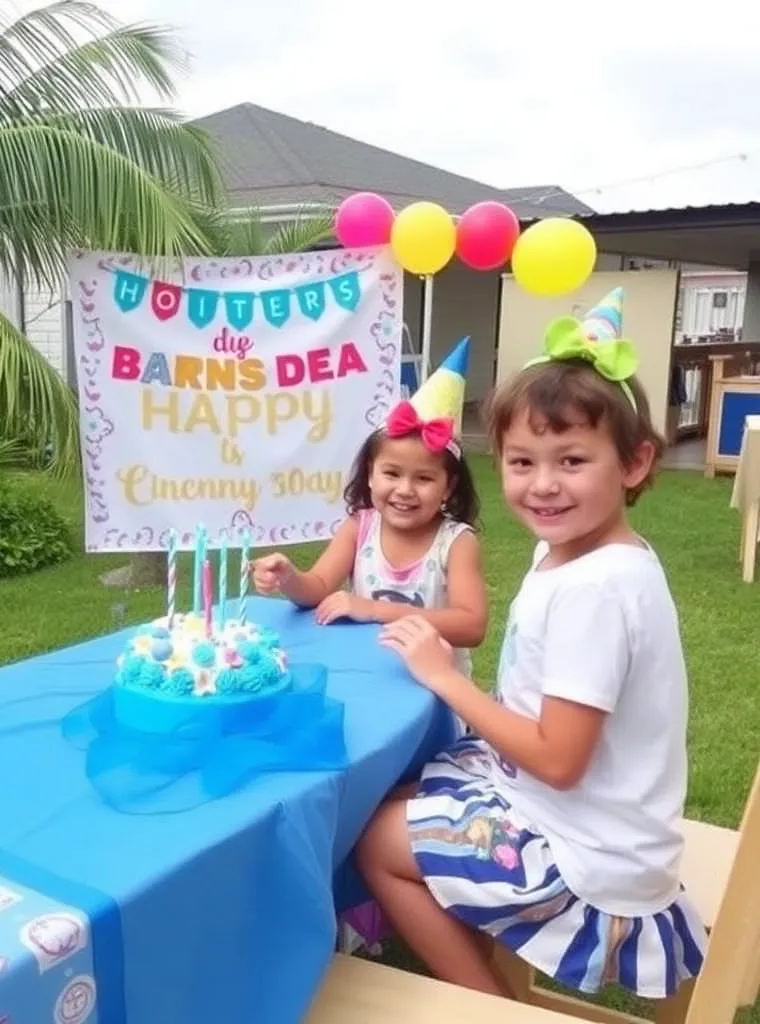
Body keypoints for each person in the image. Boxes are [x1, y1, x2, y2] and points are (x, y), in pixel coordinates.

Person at [355, 288, 708, 1001]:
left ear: (634, 464)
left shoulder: (596, 590)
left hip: (590, 856)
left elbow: (558, 759)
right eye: (521, 462)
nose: (542, 485)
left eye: (571, 460)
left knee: (373, 843)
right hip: (602, 818)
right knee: (403, 787)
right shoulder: (585, 556)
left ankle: (493, 1006)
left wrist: (445, 678)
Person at [252, 338, 488, 667]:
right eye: (392, 473)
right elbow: (318, 587)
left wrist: (376, 611)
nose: (405, 489)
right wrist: (289, 577)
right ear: (370, 475)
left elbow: (471, 625)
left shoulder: (456, 542)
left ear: (449, 487)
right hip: (364, 676)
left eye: (423, 478)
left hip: (435, 692)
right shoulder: (359, 528)